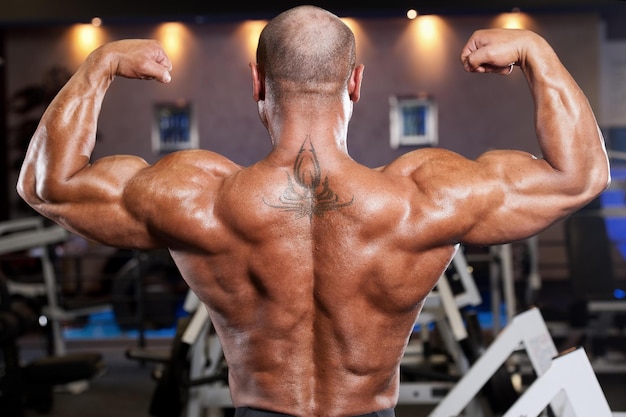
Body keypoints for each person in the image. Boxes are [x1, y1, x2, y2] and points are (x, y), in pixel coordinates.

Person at [17, 5, 609, 417]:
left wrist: (97, 67)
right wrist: (535, 51)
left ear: (257, 83)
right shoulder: (423, 197)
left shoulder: (199, 198)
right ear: (355, 84)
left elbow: (49, 184)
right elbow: (578, 175)